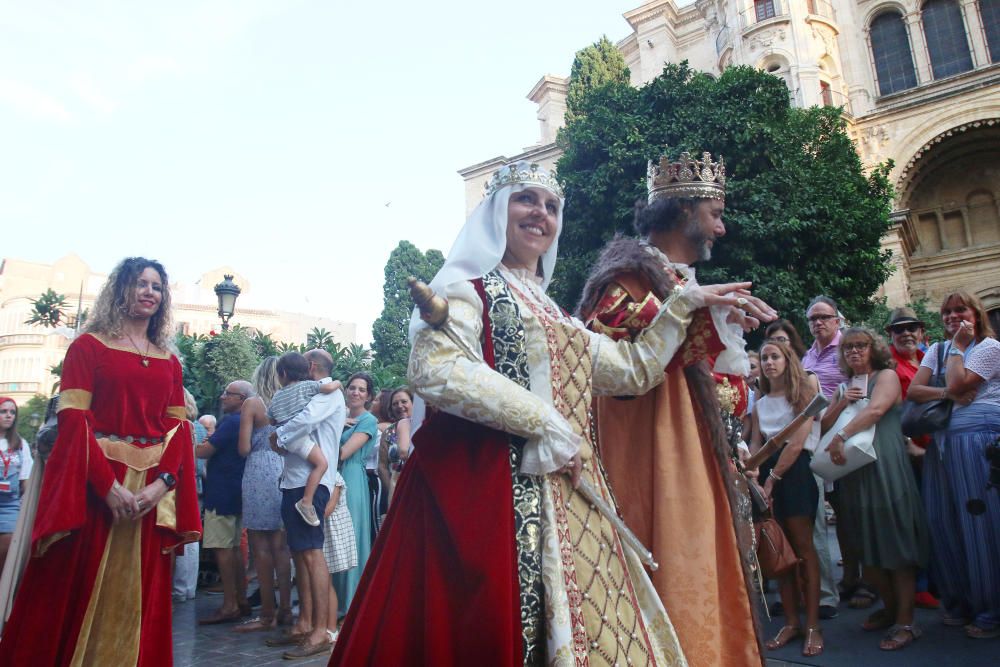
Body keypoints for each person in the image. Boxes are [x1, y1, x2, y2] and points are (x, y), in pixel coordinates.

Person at [330, 161, 771, 666]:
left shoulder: (552, 311)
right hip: (482, 487)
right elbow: (437, 370)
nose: (540, 214)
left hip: (566, 494)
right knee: (483, 627)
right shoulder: (466, 290)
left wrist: (683, 305)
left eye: (552, 207)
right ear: (498, 212)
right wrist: (545, 422)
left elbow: (633, 370)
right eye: (527, 201)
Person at [577, 149, 770, 666]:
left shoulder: (681, 282)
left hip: (695, 453)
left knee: (706, 561)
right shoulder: (626, 279)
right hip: (653, 458)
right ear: (685, 211)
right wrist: (696, 316)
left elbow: (710, 380)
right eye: (715, 214)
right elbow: (610, 361)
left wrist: (720, 327)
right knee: (676, 562)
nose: (722, 229)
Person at [0, 257, 200, 665]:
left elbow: (179, 430)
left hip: (148, 493)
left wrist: (161, 484)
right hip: (94, 485)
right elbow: (74, 421)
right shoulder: (87, 347)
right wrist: (107, 487)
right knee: (74, 583)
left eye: (156, 287)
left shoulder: (170, 360)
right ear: (120, 291)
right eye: (140, 284)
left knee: (140, 593)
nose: (149, 292)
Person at [821, 327, 930, 650]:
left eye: (861, 346)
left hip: (886, 468)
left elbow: (877, 410)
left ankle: (906, 622)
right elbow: (823, 425)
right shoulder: (844, 386)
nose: (854, 352)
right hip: (856, 473)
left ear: (874, 348)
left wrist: (841, 437)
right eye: (849, 347)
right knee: (866, 547)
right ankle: (891, 609)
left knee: (896, 544)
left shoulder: (887, 376)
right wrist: (840, 404)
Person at [909, 290, 1000, 639]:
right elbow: (916, 391)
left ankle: (990, 608)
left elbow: (960, 381)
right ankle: (960, 599)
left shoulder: (989, 347)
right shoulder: (936, 349)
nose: (951, 316)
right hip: (943, 444)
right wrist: (948, 394)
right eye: (946, 312)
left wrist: (959, 351)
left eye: (959, 310)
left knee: (978, 524)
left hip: (978, 443)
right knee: (943, 521)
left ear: (975, 314)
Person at [267, 349, 345, 659]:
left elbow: (303, 422)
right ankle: (304, 624)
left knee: (312, 553)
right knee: (300, 553)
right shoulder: (305, 392)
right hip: (295, 480)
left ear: (311, 366)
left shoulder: (326, 392)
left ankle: (322, 631)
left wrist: (278, 437)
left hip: (309, 483)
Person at [751, 340, 824, 657]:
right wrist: (753, 477)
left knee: (804, 550)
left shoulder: (803, 397)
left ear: (787, 360)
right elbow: (755, 444)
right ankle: (792, 621)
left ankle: (813, 625)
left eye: (775, 356)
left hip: (793, 474)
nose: (768, 362)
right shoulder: (760, 401)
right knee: (778, 548)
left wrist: (772, 479)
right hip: (766, 474)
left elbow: (796, 444)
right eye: (764, 357)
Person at [232, 356, 293, 631]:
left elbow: (244, 448)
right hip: (285, 468)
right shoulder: (288, 402)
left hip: (258, 469)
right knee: (282, 546)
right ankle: (286, 610)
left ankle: (266, 613)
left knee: (260, 547)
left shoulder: (253, 404)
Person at [885, 307, 939, 611]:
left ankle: (936, 581)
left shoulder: (928, 359)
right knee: (915, 521)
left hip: (935, 450)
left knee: (937, 517)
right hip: (910, 453)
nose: (906, 333)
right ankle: (919, 586)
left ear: (921, 332)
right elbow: (890, 411)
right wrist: (910, 447)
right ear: (890, 335)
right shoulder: (891, 366)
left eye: (911, 328)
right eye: (899, 329)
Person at [801, 297, 847, 618]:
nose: (818, 323)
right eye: (813, 319)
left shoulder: (849, 347)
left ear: (837, 320)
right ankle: (842, 583)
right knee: (832, 512)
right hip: (817, 436)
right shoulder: (808, 355)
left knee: (852, 510)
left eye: (824, 317)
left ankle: (860, 579)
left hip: (846, 432)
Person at [197, 381, 252, 625]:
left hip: (221, 492)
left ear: (241, 398)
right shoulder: (245, 421)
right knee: (234, 549)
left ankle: (229, 604)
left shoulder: (231, 422)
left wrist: (192, 444)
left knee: (223, 549)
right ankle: (241, 600)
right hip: (237, 491)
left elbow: (205, 451)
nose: (222, 397)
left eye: (228, 394)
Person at [267, 352, 340, 527]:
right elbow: (328, 388)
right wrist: (339, 383)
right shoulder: (307, 387)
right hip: (298, 439)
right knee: (322, 464)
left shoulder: (276, 396)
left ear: (282, 374)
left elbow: (271, 419)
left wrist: (278, 434)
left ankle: (305, 501)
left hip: (286, 439)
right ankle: (306, 502)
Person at [332, 372, 378, 617]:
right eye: (352, 388)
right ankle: (333, 601)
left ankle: (350, 602)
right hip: (331, 477)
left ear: (368, 396)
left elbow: (343, 453)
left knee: (349, 536)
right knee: (333, 538)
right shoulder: (340, 417)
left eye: (361, 389)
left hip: (351, 478)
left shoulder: (368, 420)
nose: (356, 393)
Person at [172, 389, 203, 602]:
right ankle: (187, 587)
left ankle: (179, 588)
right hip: (192, 482)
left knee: (181, 534)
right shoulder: (198, 427)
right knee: (191, 535)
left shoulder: (181, 426)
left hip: (179, 483)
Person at [0, 398, 33, 577]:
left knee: (7, 549)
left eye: (12, 412)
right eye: (3, 411)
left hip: (10, 507)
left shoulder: (21, 444)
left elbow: (25, 480)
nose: (8, 415)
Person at [378, 388, 413, 507]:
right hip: (396, 489)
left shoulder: (422, 427)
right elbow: (382, 466)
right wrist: (392, 492)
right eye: (395, 404)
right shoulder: (388, 432)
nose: (399, 406)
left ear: (412, 403)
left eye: (404, 401)